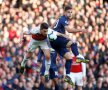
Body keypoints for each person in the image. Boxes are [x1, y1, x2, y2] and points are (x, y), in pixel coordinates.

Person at [50, 5, 89, 76]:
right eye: (68, 12)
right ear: (64, 12)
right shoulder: (63, 19)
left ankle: (67, 76)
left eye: (71, 12)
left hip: (55, 41)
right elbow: (69, 30)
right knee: (73, 43)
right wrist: (80, 30)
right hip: (57, 38)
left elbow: (51, 28)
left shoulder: (59, 19)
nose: (70, 14)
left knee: (69, 57)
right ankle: (78, 57)